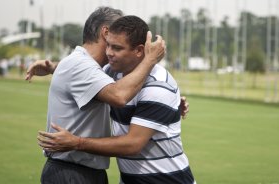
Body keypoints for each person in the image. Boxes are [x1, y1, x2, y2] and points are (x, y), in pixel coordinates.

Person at [38, 15, 195, 184]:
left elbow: (132, 144)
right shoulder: (113, 72)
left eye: (117, 48)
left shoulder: (158, 87)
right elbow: (82, 73)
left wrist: (77, 142)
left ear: (139, 50)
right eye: (109, 45)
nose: (109, 53)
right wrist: (54, 67)